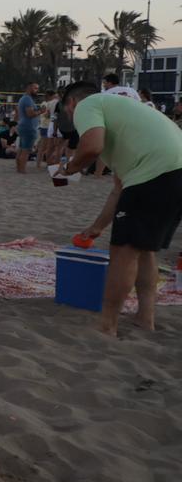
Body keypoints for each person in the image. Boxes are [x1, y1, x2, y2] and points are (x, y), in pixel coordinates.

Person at [57, 81, 182, 336]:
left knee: (123, 252)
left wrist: (69, 168)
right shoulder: (129, 117)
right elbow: (119, 190)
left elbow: (91, 147)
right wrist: (96, 227)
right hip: (174, 173)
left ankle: (107, 325)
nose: (71, 116)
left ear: (71, 103)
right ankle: (145, 319)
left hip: (155, 174)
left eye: (67, 111)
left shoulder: (88, 103)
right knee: (144, 248)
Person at [15, 82, 42, 174]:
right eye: (35, 88)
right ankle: (22, 169)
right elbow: (30, 114)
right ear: (29, 88)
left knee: (21, 148)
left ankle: (19, 168)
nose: (37, 90)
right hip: (28, 127)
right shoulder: (27, 99)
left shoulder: (23, 98)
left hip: (23, 125)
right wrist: (40, 111)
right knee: (26, 150)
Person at [36, 90, 58, 168]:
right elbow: (46, 115)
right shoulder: (46, 103)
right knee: (44, 147)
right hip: (46, 126)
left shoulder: (47, 103)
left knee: (45, 147)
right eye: (54, 96)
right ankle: (40, 164)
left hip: (45, 126)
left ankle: (40, 163)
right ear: (51, 96)